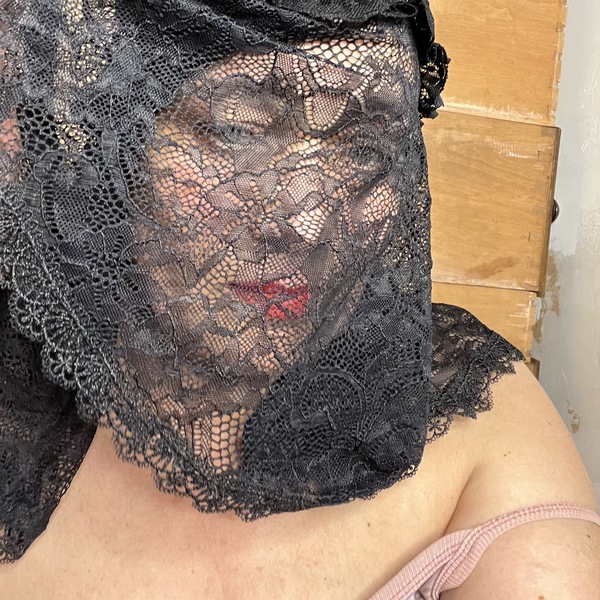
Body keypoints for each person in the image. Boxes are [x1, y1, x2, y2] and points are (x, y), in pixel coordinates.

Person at [0, 1, 598, 598]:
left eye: (365, 149)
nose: (308, 225)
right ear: (121, 138)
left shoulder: (475, 422)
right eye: (239, 129)